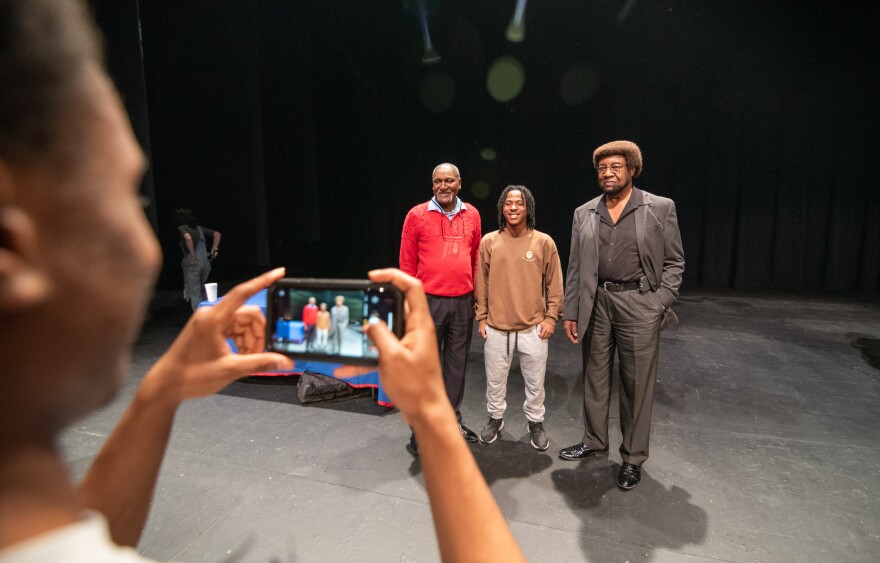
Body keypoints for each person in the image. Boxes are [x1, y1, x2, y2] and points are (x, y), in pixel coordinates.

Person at [0, 2, 526, 561]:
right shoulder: (416, 217)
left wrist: (155, 399)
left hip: (462, 300)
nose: (145, 239)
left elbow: (88, 538)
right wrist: (435, 430)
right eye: (127, 195)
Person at [558, 140, 685, 490]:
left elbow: (675, 261)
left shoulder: (658, 207)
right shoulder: (585, 212)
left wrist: (660, 301)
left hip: (639, 302)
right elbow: (575, 267)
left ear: (631, 170)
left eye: (615, 167)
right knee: (594, 377)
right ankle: (595, 441)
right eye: (602, 168)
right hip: (596, 302)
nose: (607, 173)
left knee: (637, 384)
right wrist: (572, 310)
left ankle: (632, 458)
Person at [400, 163, 482, 454]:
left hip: (462, 301)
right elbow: (407, 264)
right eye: (437, 181)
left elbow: (475, 259)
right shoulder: (417, 215)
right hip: (427, 302)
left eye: (449, 181)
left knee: (456, 367)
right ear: (432, 185)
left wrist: (477, 296)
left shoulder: (472, 214)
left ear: (459, 183)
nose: (443, 186)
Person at [474, 186, 563, 451]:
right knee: (494, 381)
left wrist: (551, 318)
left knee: (536, 384)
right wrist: (481, 318)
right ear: (502, 208)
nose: (513, 208)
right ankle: (495, 419)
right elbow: (482, 283)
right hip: (496, 328)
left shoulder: (543, 242)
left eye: (519, 203)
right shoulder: (489, 241)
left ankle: (535, 422)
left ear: (528, 208)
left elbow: (555, 283)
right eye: (508, 203)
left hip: (533, 328)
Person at [176, 208, 221, 311]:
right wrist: (215, 249)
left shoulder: (182, 228)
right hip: (205, 263)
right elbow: (217, 234)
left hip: (193, 264)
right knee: (203, 290)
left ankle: (199, 318)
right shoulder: (199, 228)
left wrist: (192, 255)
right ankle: (208, 314)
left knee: (195, 293)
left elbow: (188, 238)